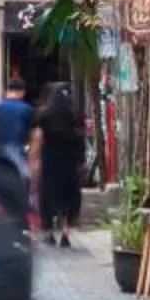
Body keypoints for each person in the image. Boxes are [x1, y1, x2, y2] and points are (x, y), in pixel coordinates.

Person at [33, 80, 88, 247]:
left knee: (48, 196)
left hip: (50, 161)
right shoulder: (75, 115)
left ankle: (49, 232)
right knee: (68, 197)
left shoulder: (43, 116)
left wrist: (35, 160)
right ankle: (65, 233)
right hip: (69, 163)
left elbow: (38, 139)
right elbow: (81, 139)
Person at [0, 77, 33, 178]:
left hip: (0, 149)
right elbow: (31, 133)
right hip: (18, 150)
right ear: (22, 92)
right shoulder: (26, 109)